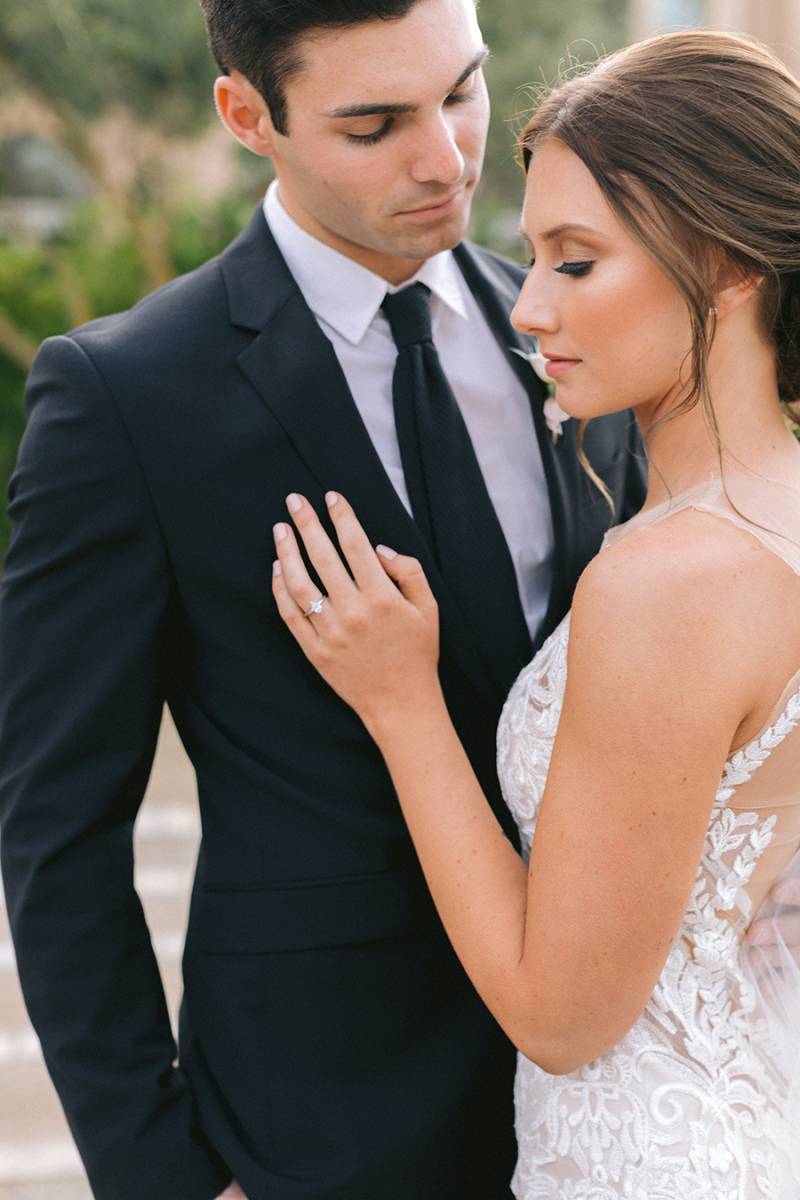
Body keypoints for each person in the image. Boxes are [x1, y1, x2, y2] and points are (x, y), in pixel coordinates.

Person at [0, 2, 646, 1198]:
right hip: (314, 1131)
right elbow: (56, 838)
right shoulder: (126, 399)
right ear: (249, 116)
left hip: (607, 1103)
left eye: (460, 91)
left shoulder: (576, 339)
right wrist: (166, 1180)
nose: (445, 158)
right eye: (374, 124)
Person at [271, 29, 800, 1200]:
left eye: (575, 262)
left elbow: (559, 1017)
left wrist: (403, 702)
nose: (526, 308)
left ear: (721, 264)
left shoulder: (672, 578)